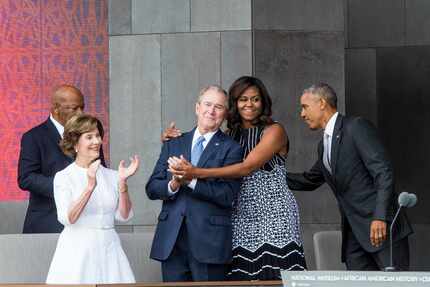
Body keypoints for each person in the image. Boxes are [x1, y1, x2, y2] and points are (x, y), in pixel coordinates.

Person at [167, 76, 307, 280]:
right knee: (243, 276)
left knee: (277, 277)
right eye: (243, 99)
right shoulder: (229, 135)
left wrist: (195, 172)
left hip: (275, 215)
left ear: (263, 102)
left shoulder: (274, 130)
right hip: (240, 214)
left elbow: (247, 167)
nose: (249, 104)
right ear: (234, 103)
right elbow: (201, 146)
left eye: (255, 99)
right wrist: (173, 140)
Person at [286, 83, 412, 270]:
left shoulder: (356, 127)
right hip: (354, 235)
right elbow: (310, 179)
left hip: (381, 230)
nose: (302, 114)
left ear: (321, 103)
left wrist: (380, 217)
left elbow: (383, 172)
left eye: (305, 107)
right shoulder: (323, 145)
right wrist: (270, 177)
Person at [146, 85, 243, 282]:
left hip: (210, 242)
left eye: (218, 107)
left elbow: (227, 195)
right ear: (197, 108)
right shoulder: (174, 142)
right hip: (171, 241)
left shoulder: (232, 148)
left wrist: (190, 181)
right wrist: (173, 184)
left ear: (225, 114)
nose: (211, 111)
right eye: (207, 104)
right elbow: (152, 187)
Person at [46, 114, 137, 284]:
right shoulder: (64, 177)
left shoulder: (112, 175)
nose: (97, 141)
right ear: (75, 144)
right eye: (89, 137)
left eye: (98, 135)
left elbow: (124, 216)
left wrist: (122, 183)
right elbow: (68, 218)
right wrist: (89, 186)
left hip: (110, 248)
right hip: (77, 251)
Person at [18, 84, 105, 233]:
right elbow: (26, 178)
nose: (80, 113)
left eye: (82, 107)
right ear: (56, 109)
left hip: (87, 223)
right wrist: (65, 186)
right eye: (74, 108)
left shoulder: (91, 137)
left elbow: (100, 170)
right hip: (48, 223)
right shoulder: (33, 137)